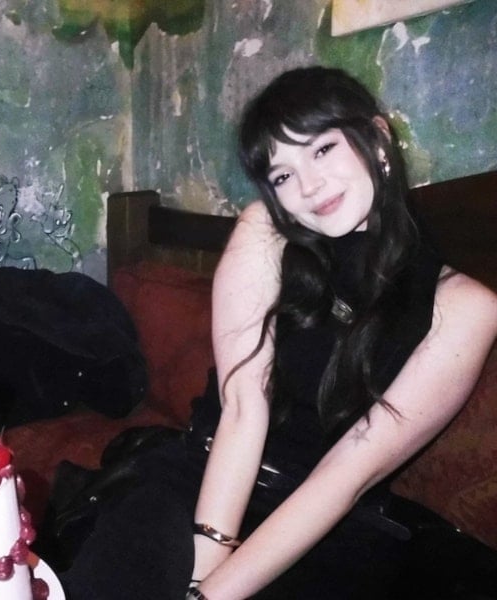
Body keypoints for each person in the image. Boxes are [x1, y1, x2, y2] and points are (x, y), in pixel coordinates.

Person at [59, 66, 497, 599]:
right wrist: (203, 569)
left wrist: (212, 595)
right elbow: (243, 406)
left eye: (322, 149)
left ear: (378, 139)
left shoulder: (464, 307)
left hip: (326, 529)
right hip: (204, 476)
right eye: (282, 175)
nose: (309, 187)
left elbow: (346, 475)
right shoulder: (265, 231)